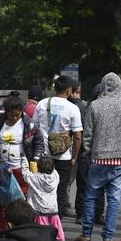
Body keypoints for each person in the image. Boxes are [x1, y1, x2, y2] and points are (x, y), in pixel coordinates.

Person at [75, 72, 121, 241]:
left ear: (103, 87)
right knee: (114, 199)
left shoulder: (95, 106)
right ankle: (108, 236)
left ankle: (86, 233)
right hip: (120, 159)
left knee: (91, 197)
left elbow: (87, 135)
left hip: (98, 159)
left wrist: (89, 153)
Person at [0, 91, 45, 228]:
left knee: (21, 199)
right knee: (2, 200)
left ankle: (21, 226)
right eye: (11, 115)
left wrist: (35, 159)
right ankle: (2, 227)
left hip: (21, 168)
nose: (15, 118)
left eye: (18, 115)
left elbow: (39, 143)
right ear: (6, 113)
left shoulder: (30, 124)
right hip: (1, 168)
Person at [35, 76, 83, 219]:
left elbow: (34, 128)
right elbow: (78, 136)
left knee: (42, 188)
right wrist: (74, 156)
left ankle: (41, 219)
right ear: (69, 90)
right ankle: (57, 222)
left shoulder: (42, 104)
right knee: (60, 190)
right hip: (63, 156)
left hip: (43, 155)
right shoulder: (73, 108)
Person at [73, 84, 105, 225]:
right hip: (88, 152)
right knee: (86, 183)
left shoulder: (95, 108)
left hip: (93, 152)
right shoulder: (90, 108)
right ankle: (84, 213)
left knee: (91, 184)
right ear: (98, 95)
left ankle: (95, 214)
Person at [22, 157, 64, 241]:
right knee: (55, 224)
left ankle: (43, 240)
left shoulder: (35, 177)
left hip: (40, 207)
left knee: (42, 226)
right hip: (53, 207)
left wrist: (24, 160)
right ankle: (59, 239)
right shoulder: (55, 176)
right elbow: (53, 169)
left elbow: (25, 174)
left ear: (38, 167)